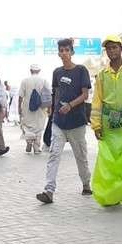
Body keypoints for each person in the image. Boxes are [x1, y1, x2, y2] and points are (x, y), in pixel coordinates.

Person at [36, 38, 92, 203]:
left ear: (72, 52)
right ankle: (49, 190)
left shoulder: (81, 70)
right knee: (54, 154)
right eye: (61, 50)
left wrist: (70, 105)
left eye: (67, 50)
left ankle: (86, 184)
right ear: (58, 53)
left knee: (80, 156)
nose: (64, 53)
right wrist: (52, 112)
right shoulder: (57, 72)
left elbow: (85, 94)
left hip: (77, 122)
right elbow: (56, 93)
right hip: (59, 122)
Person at [91, 35, 122, 142]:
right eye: (108, 48)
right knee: (109, 156)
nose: (111, 51)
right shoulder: (102, 75)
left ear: (121, 49)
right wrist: (96, 125)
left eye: (114, 47)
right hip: (108, 123)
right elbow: (97, 101)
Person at [19, 64, 49, 153]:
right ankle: (36, 147)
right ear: (39, 71)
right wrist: (49, 108)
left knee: (27, 126)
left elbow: (20, 96)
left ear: (30, 71)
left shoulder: (24, 81)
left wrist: (19, 107)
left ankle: (28, 143)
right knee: (39, 127)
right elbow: (48, 96)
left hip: (27, 108)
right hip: (41, 109)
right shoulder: (44, 81)